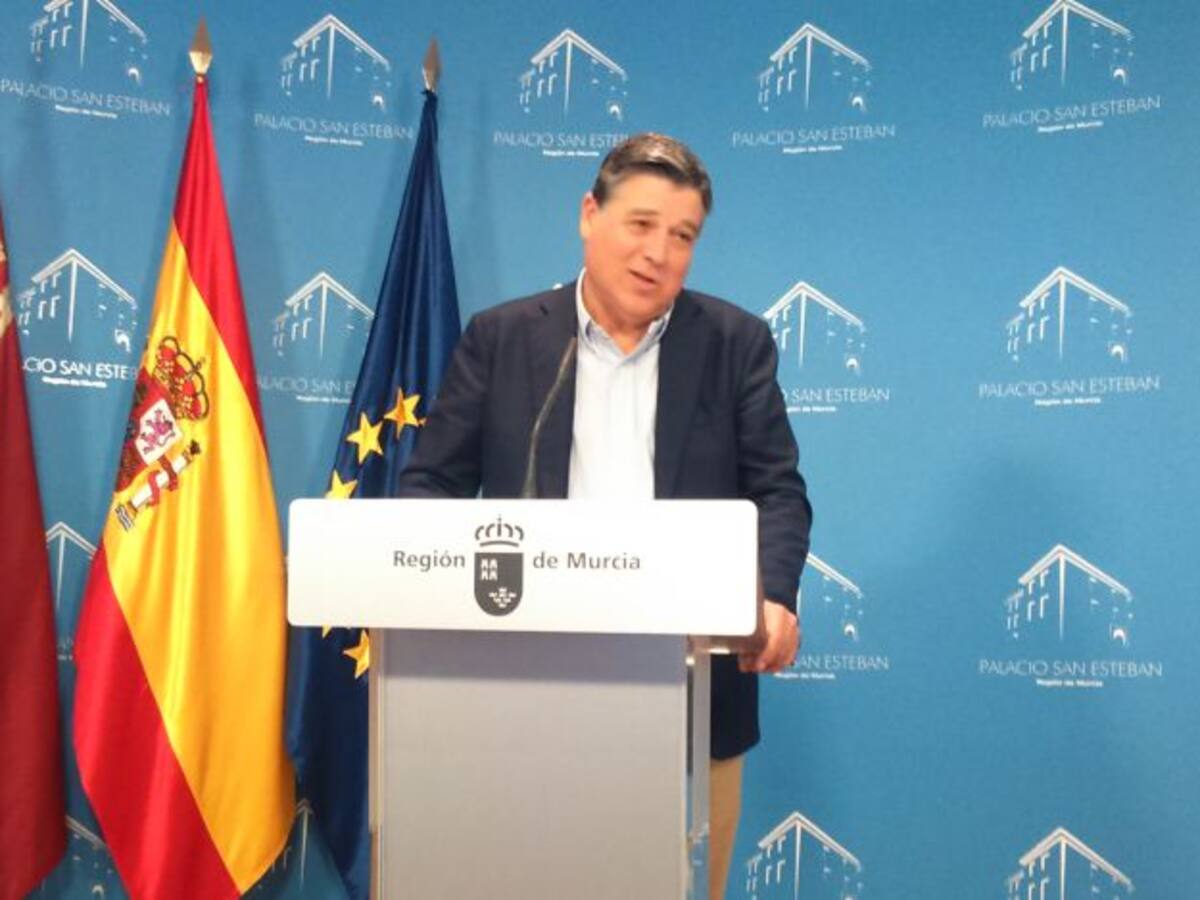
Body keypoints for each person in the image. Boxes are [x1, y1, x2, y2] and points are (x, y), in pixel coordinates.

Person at [397, 133, 811, 899]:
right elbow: (431, 487)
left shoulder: (735, 344)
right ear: (590, 214)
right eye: (641, 224)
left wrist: (775, 595)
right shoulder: (502, 339)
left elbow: (778, 491)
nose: (658, 253)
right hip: (525, 690)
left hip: (693, 693)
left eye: (682, 236)